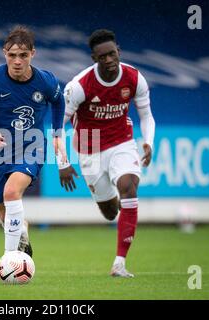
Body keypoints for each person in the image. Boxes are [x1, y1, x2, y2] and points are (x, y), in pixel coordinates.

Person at [58, 29, 155, 278]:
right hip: (89, 148)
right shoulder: (79, 86)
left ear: (118, 51)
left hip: (122, 142)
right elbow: (57, 126)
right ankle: (112, 202)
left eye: (113, 54)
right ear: (94, 58)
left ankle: (119, 263)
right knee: (111, 212)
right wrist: (63, 163)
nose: (109, 60)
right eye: (103, 57)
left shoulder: (134, 78)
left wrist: (148, 142)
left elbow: (146, 116)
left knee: (128, 186)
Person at [0, 26, 66, 271]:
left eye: (23, 55)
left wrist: (57, 133)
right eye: (12, 55)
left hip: (32, 146)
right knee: (4, 213)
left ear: (33, 54)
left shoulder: (45, 80)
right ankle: (21, 229)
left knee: (12, 192)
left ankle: (9, 260)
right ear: (4, 53)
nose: (17, 61)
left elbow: (58, 101)